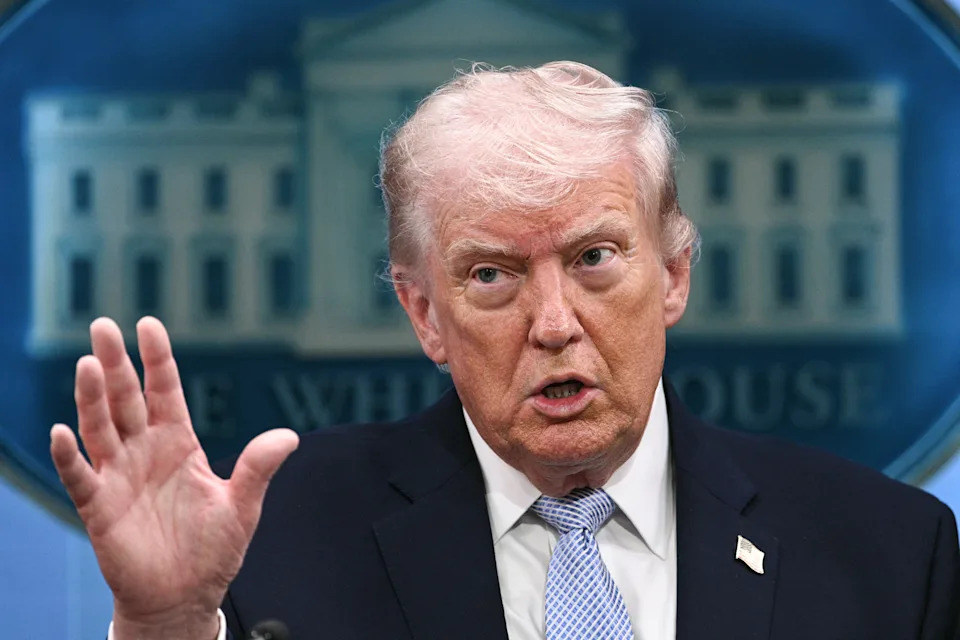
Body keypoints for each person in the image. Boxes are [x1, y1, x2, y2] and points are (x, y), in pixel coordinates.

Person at [51, 62, 959, 640]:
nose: (555, 322)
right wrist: (165, 625)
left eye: (594, 258)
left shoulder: (887, 555)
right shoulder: (270, 548)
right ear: (424, 316)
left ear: (675, 274)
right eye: (492, 275)